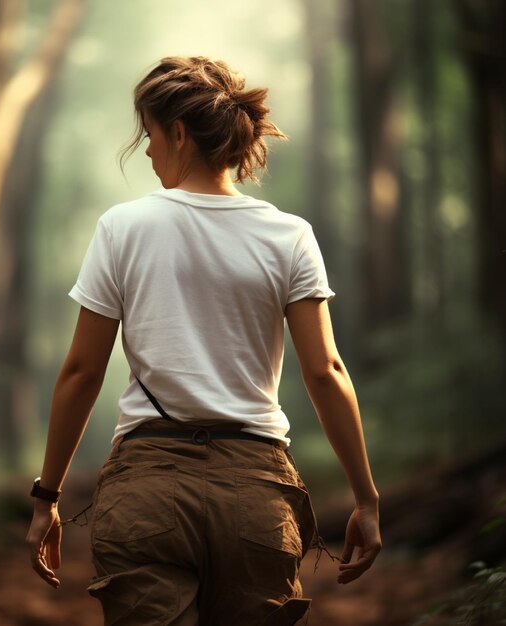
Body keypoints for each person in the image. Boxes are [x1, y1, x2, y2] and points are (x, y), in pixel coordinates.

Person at [26, 56, 381, 625]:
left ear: (179, 133)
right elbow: (326, 373)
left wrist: (48, 498)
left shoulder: (122, 227)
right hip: (256, 496)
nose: (146, 151)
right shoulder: (288, 236)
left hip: (147, 492)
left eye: (149, 134)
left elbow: (81, 374)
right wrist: (366, 498)